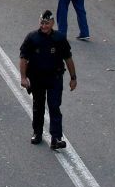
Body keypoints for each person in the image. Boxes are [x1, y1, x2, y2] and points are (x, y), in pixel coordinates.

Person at [19, 10, 78, 150]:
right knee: (38, 106)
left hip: (54, 78)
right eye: (42, 23)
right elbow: (23, 58)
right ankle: (37, 133)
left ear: (52, 23)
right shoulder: (32, 38)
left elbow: (68, 58)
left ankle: (56, 138)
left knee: (54, 106)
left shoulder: (59, 38)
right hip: (37, 78)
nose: (44, 26)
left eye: (47, 23)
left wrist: (73, 77)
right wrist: (23, 77)